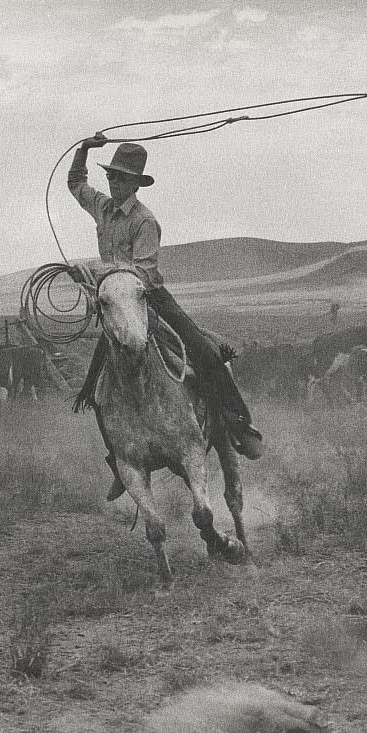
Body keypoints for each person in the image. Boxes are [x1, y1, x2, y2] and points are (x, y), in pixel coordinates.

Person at [67, 135, 263, 501]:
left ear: (136, 184)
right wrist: (84, 150)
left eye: (122, 178)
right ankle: (119, 459)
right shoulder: (102, 207)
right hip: (116, 300)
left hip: (149, 296)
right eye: (111, 176)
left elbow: (141, 272)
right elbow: (76, 183)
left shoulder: (145, 221)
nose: (114, 182)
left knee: (205, 354)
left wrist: (95, 274)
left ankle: (238, 423)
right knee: (96, 387)